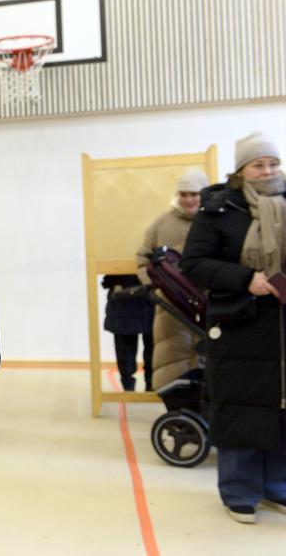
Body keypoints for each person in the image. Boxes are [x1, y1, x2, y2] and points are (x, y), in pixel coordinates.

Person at [181, 131, 286, 525]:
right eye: (258, 164)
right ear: (241, 170)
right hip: (240, 321)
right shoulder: (219, 209)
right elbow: (192, 263)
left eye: (273, 163)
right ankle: (239, 491)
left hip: (281, 325)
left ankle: (277, 486)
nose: (268, 171)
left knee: (280, 408)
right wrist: (246, 279)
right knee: (241, 407)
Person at [135, 168, 209, 390]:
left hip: (206, 303)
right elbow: (142, 259)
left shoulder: (216, 222)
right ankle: (176, 409)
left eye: (194, 194)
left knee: (206, 362)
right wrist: (156, 288)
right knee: (172, 362)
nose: (188, 199)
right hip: (171, 307)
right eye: (183, 194)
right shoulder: (161, 224)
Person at [101, 274, 154, 391]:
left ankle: (135, 388)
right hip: (128, 297)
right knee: (130, 353)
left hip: (142, 296)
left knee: (145, 352)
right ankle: (138, 388)